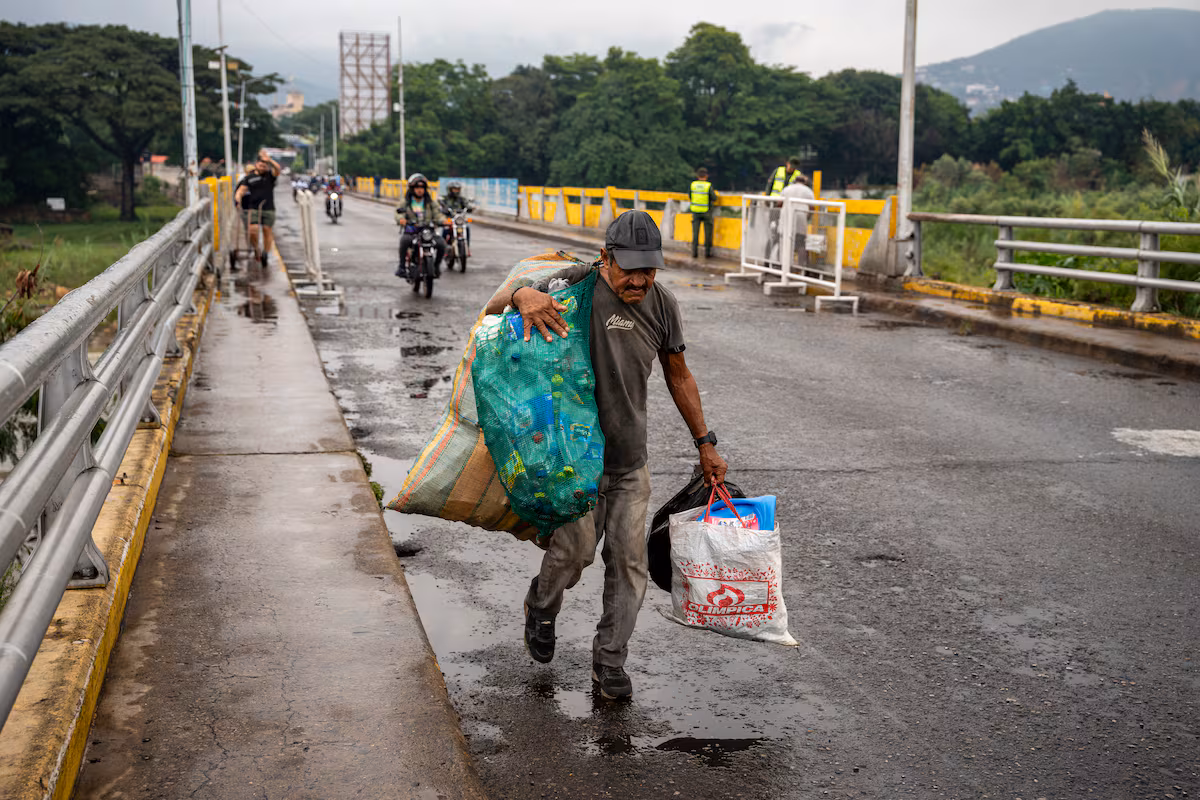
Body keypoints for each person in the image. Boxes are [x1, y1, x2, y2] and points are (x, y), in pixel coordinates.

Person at [483, 210, 729, 702]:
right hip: (571, 461)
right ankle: (541, 605)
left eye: (649, 269)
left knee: (629, 564)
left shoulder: (663, 305)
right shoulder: (574, 284)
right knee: (574, 553)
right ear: (605, 257)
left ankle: (610, 662)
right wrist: (522, 295)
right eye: (630, 268)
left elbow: (679, 375)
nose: (639, 280)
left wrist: (705, 441)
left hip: (629, 458)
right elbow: (495, 307)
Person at [233, 150, 280, 268]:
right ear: (256, 165)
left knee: (267, 230)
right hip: (253, 207)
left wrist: (269, 160)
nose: (262, 166)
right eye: (260, 164)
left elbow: (277, 169)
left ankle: (265, 253)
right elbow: (241, 191)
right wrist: (237, 199)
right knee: (252, 230)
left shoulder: (270, 176)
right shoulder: (249, 178)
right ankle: (256, 249)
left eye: (265, 165)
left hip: (268, 208)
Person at [394, 173, 445, 278]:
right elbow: (398, 213)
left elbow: (438, 214)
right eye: (417, 187)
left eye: (422, 187)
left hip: (428, 231)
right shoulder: (406, 202)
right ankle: (402, 267)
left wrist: (443, 220)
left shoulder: (431, 202)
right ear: (412, 188)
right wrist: (401, 220)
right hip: (411, 231)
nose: (419, 190)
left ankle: (436, 266)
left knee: (441, 244)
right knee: (404, 241)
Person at [780, 173, 816, 267]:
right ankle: (801, 266)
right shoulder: (808, 191)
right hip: (800, 217)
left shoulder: (787, 189)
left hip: (786, 217)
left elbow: (779, 203)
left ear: (795, 181)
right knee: (801, 243)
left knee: (786, 242)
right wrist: (808, 217)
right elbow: (812, 207)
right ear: (805, 182)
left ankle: (785, 265)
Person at [688, 167, 717, 259]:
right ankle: (707, 253)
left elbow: (690, 196)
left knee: (695, 233)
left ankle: (694, 253)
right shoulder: (708, 186)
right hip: (706, 212)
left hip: (695, 211)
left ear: (697, 176)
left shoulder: (693, 185)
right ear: (706, 176)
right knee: (707, 233)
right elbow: (714, 198)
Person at [440, 180, 472, 255]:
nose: (456, 191)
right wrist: (444, 209)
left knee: (467, 227)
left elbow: (467, 205)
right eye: (454, 189)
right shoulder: (446, 199)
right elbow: (441, 205)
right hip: (449, 219)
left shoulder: (461, 199)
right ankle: (444, 248)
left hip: (459, 219)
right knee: (445, 229)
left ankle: (467, 247)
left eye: (458, 189)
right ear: (450, 189)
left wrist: (469, 208)